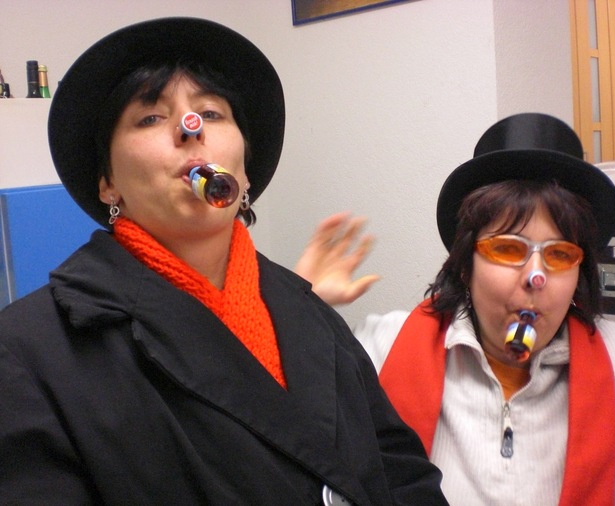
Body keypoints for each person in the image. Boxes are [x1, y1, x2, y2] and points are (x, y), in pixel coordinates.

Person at [0, 17, 448, 505]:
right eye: (150, 118)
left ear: (244, 172)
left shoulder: (308, 311)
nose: (189, 129)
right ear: (107, 183)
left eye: (211, 112)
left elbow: (401, 471)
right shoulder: (28, 350)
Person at [301, 113, 615, 505]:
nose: (536, 277)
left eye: (560, 254)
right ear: (466, 264)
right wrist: (291, 301)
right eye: (508, 249)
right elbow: (286, 437)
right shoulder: (381, 349)